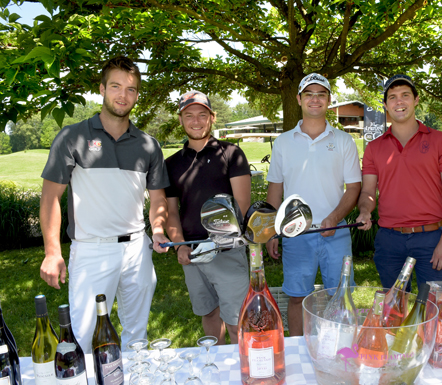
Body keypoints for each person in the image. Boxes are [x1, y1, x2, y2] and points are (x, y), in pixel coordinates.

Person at [39, 56, 170, 352]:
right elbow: (50, 198)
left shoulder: (148, 145)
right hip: (91, 251)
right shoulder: (72, 137)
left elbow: (158, 199)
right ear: (101, 88)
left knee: (137, 338)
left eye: (131, 89)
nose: (123, 95)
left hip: (138, 249)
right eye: (115, 86)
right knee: (85, 342)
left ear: (137, 95)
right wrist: (52, 253)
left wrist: (159, 230)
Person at [266, 73, 362, 336]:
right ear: (299, 99)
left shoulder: (343, 140)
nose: (315, 99)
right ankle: (298, 352)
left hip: (337, 231)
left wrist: (335, 216)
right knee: (297, 297)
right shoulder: (284, 142)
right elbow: (275, 187)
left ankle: (340, 350)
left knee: (342, 297)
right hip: (295, 232)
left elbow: (354, 187)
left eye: (321, 94)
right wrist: (271, 230)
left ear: (329, 100)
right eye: (309, 94)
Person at [356, 74, 442, 290]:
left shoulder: (440, 141)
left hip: (431, 239)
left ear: (416, 100)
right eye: (393, 97)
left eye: (405, 95)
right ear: (385, 105)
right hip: (389, 241)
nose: (399, 102)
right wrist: (365, 211)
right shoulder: (374, 148)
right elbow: (368, 191)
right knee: (396, 311)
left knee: (433, 310)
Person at [165, 91, 251, 345]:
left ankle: (243, 372)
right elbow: (170, 211)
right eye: (189, 115)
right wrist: (179, 244)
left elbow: (242, 205)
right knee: (209, 313)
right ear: (180, 120)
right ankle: (217, 370)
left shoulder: (232, 153)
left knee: (237, 323)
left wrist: (222, 240)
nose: (196, 121)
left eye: (202, 115)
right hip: (192, 253)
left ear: (212, 118)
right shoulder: (171, 164)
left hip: (227, 250)